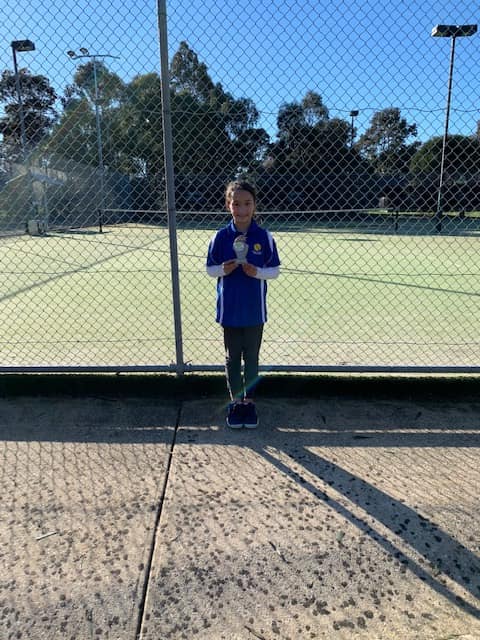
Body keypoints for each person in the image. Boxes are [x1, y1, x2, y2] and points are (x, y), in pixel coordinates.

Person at [206, 180, 281, 428]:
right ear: (228, 205)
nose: (242, 209)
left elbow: (274, 271)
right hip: (229, 310)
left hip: (254, 311)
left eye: (247, 204)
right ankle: (235, 402)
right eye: (236, 204)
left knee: (252, 357)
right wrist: (223, 269)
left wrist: (256, 272)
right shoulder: (220, 237)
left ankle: (249, 403)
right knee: (232, 358)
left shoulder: (264, 236)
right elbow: (210, 269)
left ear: (254, 205)